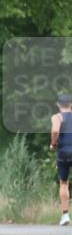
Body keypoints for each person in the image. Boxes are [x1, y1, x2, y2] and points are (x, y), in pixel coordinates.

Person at [51, 93, 72, 227]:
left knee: (63, 183)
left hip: (64, 152)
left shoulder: (57, 117)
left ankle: (65, 216)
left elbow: (55, 130)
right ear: (71, 105)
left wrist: (53, 144)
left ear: (58, 105)